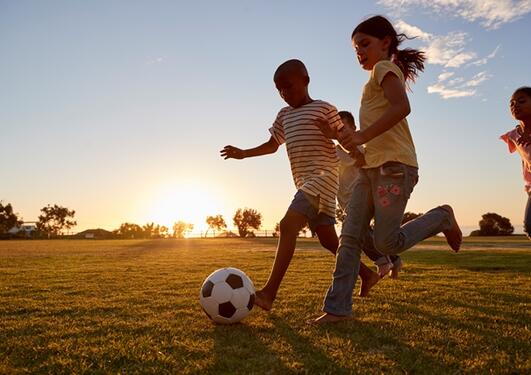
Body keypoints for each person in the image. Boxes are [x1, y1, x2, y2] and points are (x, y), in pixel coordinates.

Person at [312, 15, 462, 324]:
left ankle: (442, 216)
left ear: (385, 43)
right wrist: (337, 136)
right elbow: (361, 147)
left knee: (384, 243)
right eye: (355, 48)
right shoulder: (370, 83)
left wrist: (362, 135)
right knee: (350, 237)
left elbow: (402, 107)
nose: (359, 52)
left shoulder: (384, 69)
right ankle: (338, 309)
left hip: (395, 167)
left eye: (364, 44)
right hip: (370, 169)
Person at [220, 59, 380, 311]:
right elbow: (273, 145)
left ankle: (269, 294)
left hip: (323, 178)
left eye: (289, 86)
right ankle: (367, 274)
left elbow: (344, 138)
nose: (284, 93)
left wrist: (360, 157)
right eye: (279, 89)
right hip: (305, 183)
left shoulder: (324, 109)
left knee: (287, 224)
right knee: (329, 241)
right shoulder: (284, 115)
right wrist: (244, 153)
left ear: (306, 81)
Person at [337, 110, 403, 279]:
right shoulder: (335, 150)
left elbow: (352, 160)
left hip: (361, 197)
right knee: (368, 233)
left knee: (353, 231)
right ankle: (395, 259)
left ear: (354, 128)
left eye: (344, 128)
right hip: (345, 201)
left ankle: (382, 260)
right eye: (337, 129)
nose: (341, 133)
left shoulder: (359, 148)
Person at [500, 86, 531, 239]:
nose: (515, 105)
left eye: (521, 101)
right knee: (530, 226)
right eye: (511, 103)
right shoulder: (514, 135)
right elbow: (524, 159)